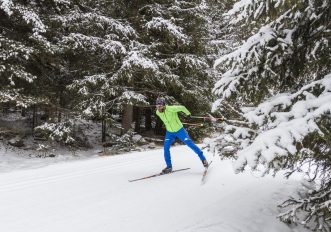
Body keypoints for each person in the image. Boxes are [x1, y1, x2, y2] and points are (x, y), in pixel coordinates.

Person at [155, 97, 208, 174]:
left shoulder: (171, 109)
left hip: (180, 130)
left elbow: (182, 107)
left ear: (164, 105)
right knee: (166, 148)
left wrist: (188, 113)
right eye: (157, 106)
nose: (159, 108)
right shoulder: (158, 112)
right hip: (169, 132)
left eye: (160, 106)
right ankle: (169, 166)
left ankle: (203, 159)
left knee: (190, 144)